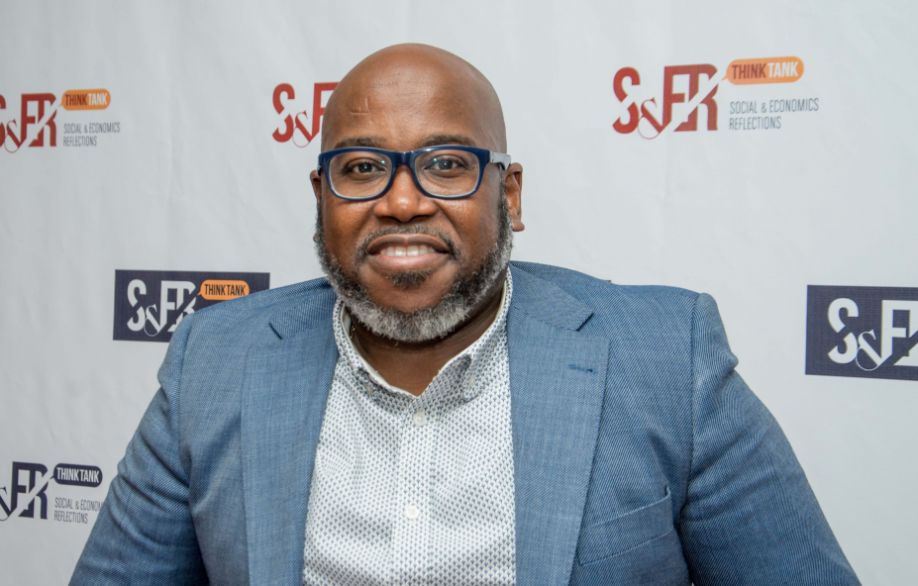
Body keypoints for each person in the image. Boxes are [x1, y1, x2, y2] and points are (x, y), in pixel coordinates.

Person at [71, 44, 858, 585]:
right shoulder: (215, 362)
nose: (401, 202)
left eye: (446, 164)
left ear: (508, 194)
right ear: (322, 198)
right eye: (362, 167)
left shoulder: (664, 359)